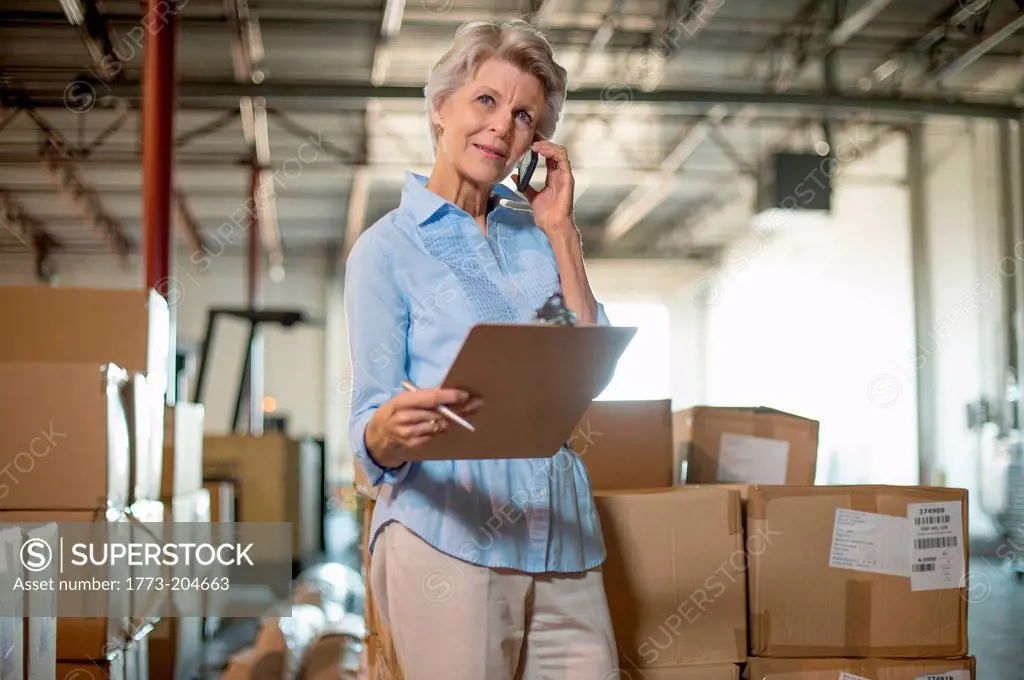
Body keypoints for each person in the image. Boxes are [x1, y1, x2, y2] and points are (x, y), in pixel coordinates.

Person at [344, 18, 618, 680]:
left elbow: (590, 365)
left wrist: (561, 230)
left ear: (535, 138)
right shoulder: (386, 250)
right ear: (441, 109)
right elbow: (368, 427)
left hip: (562, 537)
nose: (502, 126)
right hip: (447, 536)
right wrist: (389, 429)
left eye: (524, 115)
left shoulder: (536, 241)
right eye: (486, 101)